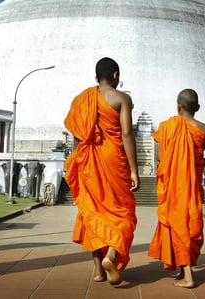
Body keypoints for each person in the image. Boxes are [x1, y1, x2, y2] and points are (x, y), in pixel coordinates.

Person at [64, 57, 140, 286]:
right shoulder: (121, 98)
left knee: (91, 214)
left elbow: (77, 137)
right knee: (123, 213)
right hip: (114, 160)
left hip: (88, 162)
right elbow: (127, 135)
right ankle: (111, 256)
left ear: (96, 77)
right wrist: (134, 170)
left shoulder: (81, 100)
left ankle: (98, 271)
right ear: (115, 75)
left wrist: (76, 165)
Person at [148, 88, 205, 288]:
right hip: (191, 186)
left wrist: (178, 161)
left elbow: (160, 157)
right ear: (197, 108)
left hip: (173, 187)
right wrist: (192, 165)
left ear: (178, 107)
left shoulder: (167, 127)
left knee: (177, 225)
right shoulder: (204, 129)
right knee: (189, 224)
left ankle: (188, 276)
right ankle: (183, 270)